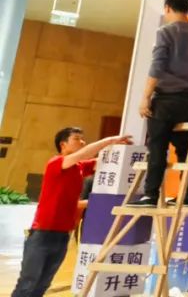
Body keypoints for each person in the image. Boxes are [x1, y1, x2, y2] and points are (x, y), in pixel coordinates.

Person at [13, 127, 132, 297]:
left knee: (44, 283)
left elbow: (104, 161)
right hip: (42, 233)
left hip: (63, 235)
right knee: (28, 282)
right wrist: (110, 140)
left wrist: (122, 149)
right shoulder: (56, 163)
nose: (82, 142)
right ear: (63, 144)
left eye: (82, 139)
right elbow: (84, 154)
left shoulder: (80, 167)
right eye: (76, 138)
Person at [132, 0, 188, 207]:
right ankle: (186, 196)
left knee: (157, 147)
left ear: (168, 8)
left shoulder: (165, 31)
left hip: (164, 99)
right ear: (187, 9)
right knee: (186, 150)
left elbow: (157, 66)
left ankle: (151, 195)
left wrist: (145, 97)